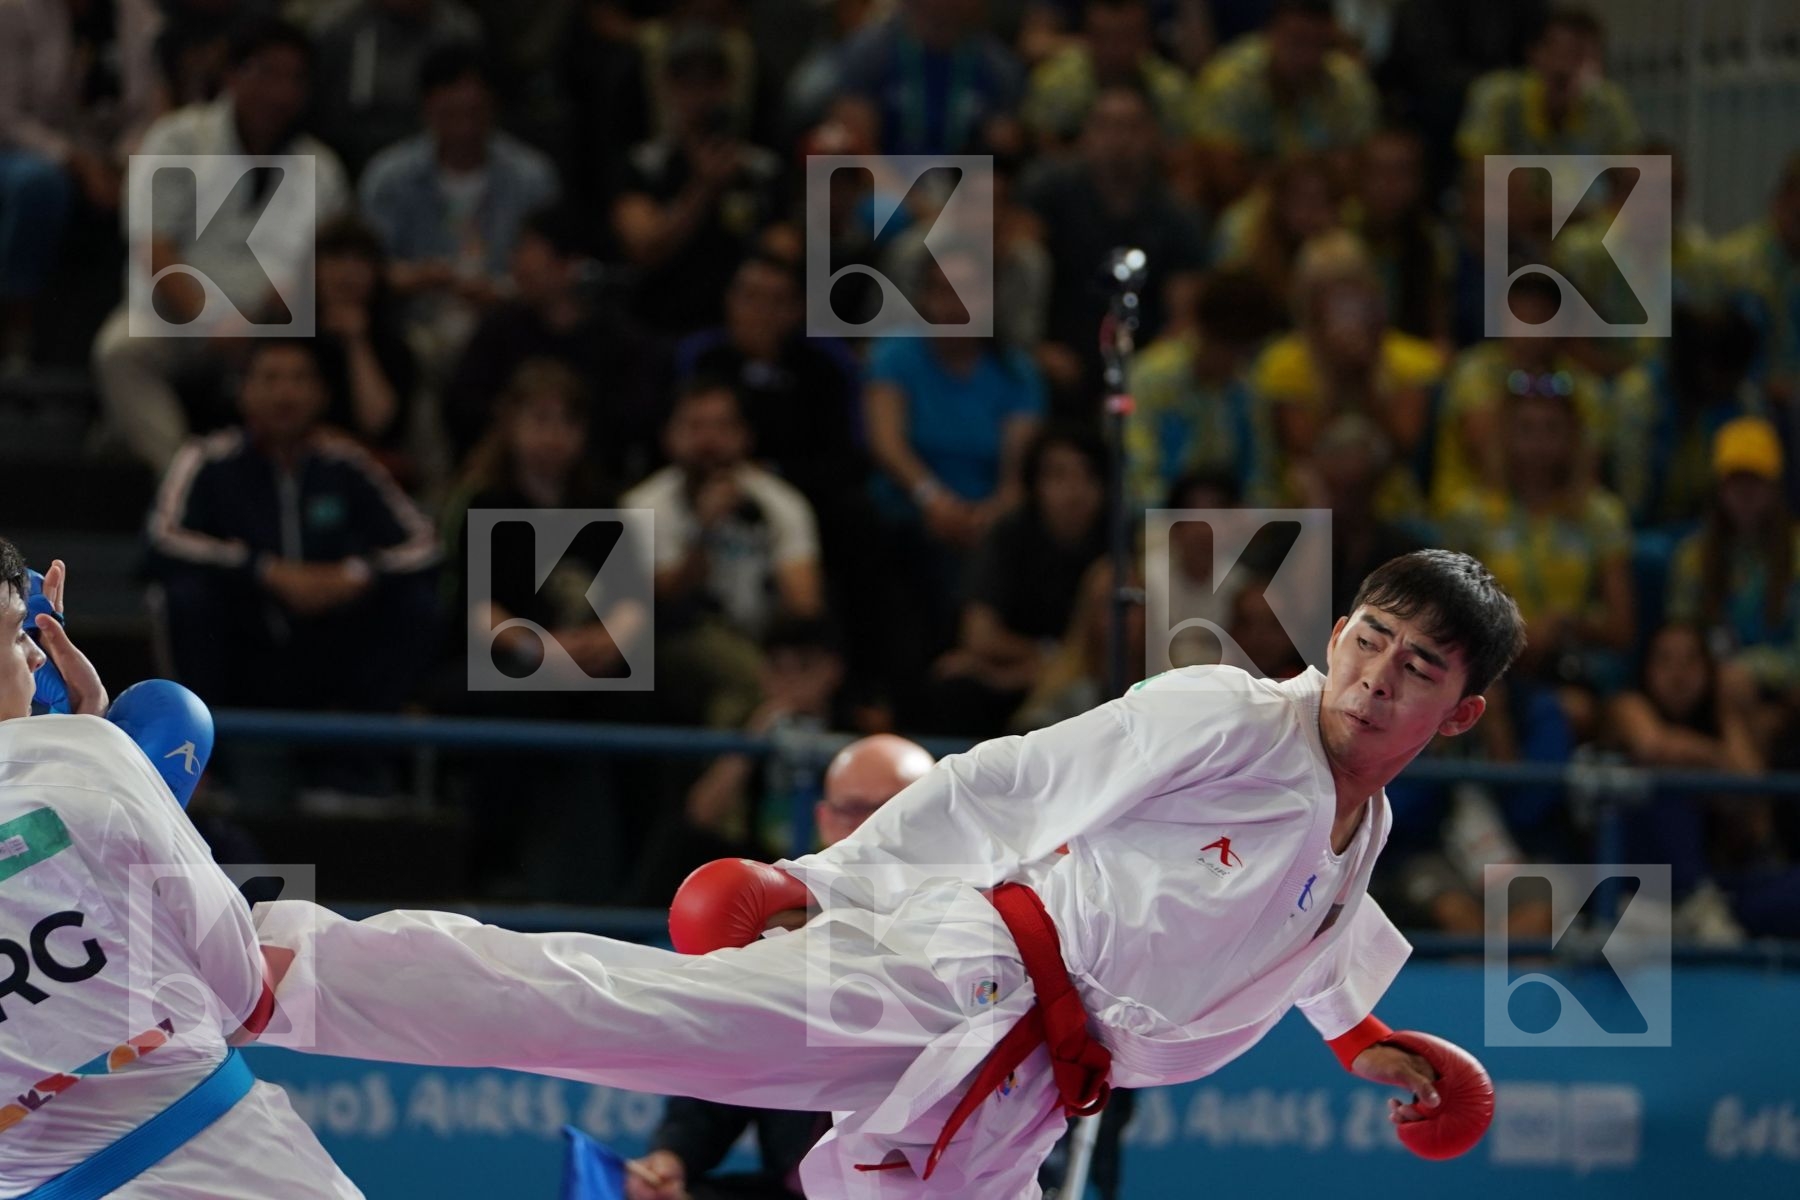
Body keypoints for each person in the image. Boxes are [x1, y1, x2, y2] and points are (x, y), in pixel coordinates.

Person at [250, 548, 1516, 1196]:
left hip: (1026, 1092)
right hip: (945, 983)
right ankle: (278, 969)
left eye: (1417, 669)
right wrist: (815, 881)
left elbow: (1307, 942)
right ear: (1339, 628)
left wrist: (1367, 1043)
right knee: (616, 1012)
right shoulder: (1237, 719)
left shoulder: (1363, 835)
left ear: (1458, 714)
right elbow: (1003, 784)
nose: (1375, 676)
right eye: (1369, 638)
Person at [0, 541, 362, 1197]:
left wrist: (68, 742)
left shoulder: (78, 767)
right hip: (232, 1158)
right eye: (15, 636)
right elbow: (238, 986)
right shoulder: (88, 762)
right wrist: (83, 746)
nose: (30, 655)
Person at [625, 735, 934, 1200]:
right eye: (854, 810)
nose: (872, 830)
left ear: (940, 819)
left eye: (893, 810)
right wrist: (674, 1156)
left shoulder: (988, 932)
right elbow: (724, 1068)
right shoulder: (783, 937)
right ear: (824, 820)